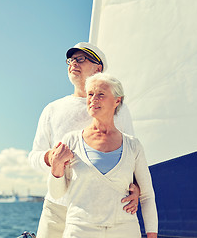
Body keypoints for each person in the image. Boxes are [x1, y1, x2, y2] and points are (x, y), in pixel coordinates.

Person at [28, 42, 140, 238]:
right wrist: (51, 157)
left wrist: (136, 188)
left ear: (98, 68)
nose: (73, 64)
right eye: (70, 60)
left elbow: (131, 155)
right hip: (57, 209)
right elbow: (34, 157)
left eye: (80, 59)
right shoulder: (52, 109)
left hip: (98, 210)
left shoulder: (119, 110)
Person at [48, 73, 158, 238]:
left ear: (117, 101)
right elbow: (57, 193)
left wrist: (152, 235)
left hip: (125, 230)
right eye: (90, 94)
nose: (93, 99)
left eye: (101, 94)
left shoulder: (133, 145)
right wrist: (56, 165)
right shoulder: (71, 141)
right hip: (79, 230)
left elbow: (147, 195)